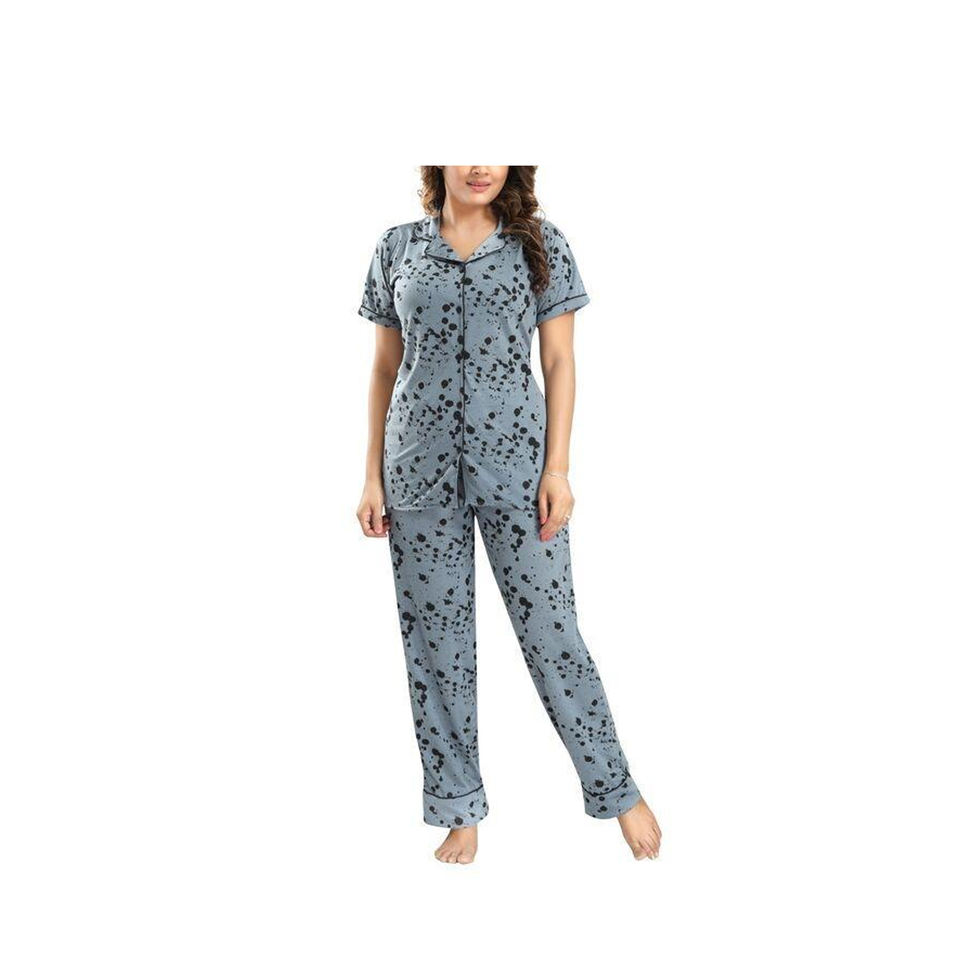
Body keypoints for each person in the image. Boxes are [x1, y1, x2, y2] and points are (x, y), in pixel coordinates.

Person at [356, 166, 661, 864]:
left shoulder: (540, 244)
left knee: (553, 634)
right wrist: (371, 475)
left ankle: (615, 788)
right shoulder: (397, 247)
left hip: (519, 472)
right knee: (436, 647)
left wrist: (558, 469)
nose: (479, 166)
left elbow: (559, 361)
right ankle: (459, 809)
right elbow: (383, 368)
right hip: (418, 471)